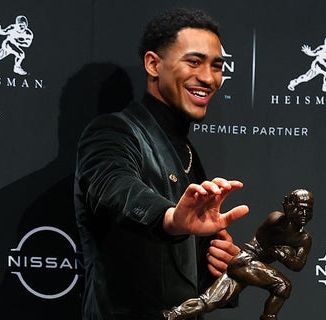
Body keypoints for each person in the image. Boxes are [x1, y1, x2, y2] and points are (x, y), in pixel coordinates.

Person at [74, 8, 249, 320]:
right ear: (153, 64)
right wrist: (168, 218)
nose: (208, 78)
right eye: (194, 62)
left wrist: (219, 269)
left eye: (217, 66)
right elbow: (113, 187)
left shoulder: (189, 156)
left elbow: (181, 283)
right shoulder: (113, 132)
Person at [163, 189, 313, 320]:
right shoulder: (276, 220)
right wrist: (281, 252)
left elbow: (298, 265)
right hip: (245, 261)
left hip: (247, 266)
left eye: (309, 210)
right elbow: (262, 244)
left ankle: (174, 313)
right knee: (283, 285)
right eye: (300, 209)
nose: (304, 215)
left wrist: (283, 255)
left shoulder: (304, 239)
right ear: (288, 206)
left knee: (208, 301)